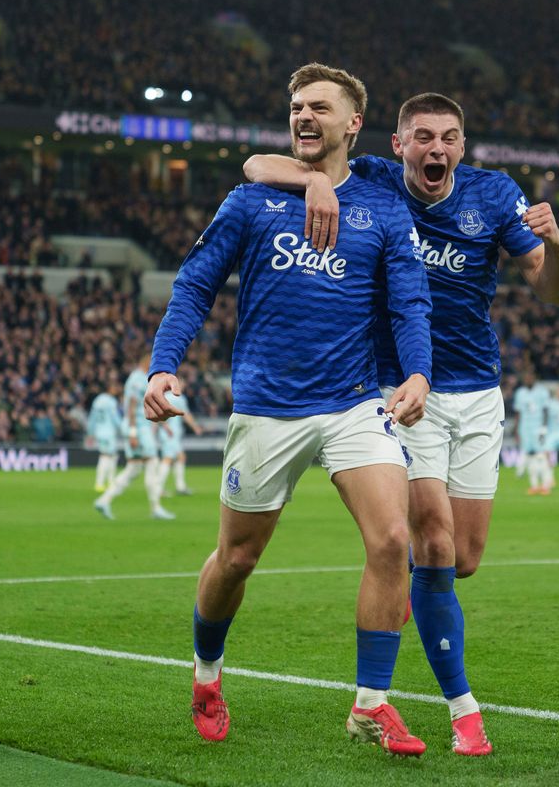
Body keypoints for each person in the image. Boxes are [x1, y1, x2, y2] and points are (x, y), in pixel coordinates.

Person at [244, 90, 559, 756]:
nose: (437, 149)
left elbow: (552, 289)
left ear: (462, 145)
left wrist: (558, 247)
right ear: (397, 145)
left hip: (478, 393)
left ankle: (393, 593)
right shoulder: (369, 183)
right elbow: (254, 166)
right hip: (399, 390)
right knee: (434, 544)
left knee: (461, 559)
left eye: (449, 137)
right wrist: (314, 181)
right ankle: (460, 710)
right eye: (423, 137)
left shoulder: (493, 195)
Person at [146, 63, 434, 756]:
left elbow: (408, 299)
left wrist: (420, 371)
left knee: (395, 540)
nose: (304, 117)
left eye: (319, 108)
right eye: (296, 107)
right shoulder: (251, 201)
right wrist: (162, 366)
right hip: (269, 407)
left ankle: (371, 704)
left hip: (353, 402)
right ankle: (207, 672)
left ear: (353, 124)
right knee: (238, 558)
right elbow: (193, 285)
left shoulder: (383, 205)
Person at [94, 352, 173, 521]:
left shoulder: (139, 378)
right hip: (139, 428)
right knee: (152, 462)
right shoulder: (137, 380)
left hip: (138, 427)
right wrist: (132, 432)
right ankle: (156, 507)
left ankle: (104, 500)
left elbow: (147, 405)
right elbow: (131, 406)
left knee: (134, 468)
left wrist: (163, 426)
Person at [157, 385, 203, 496]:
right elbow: (186, 415)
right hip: (170, 433)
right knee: (168, 459)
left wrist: (163, 426)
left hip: (167, 432)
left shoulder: (162, 397)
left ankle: (180, 487)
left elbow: (158, 414)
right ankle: (158, 488)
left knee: (180, 457)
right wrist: (195, 427)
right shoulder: (178, 398)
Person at [512, 374, 551, 495]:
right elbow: (518, 412)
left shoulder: (542, 392)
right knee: (530, 456)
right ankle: (534, 485)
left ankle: (546, 484)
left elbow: (545, 410)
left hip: (538, 428)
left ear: (535, 378)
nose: (528, 379)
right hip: (525, 428)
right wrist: (516, 429)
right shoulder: (520, 393)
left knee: (541, 456)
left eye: (530, 377)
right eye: (526, 377)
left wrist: (544, 427)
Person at [86, 382, 122, 492]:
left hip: (99, 432)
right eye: (113, 387)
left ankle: (104, 482)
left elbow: (92, 417)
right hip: (109, 432)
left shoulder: (98, 400)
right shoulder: (111, 402)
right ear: (109, 389)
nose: (115, 389)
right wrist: (123, 429)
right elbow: (115, 418)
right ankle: (105, 482)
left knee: (108, 455)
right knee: (108, 456)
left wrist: (90, 433)